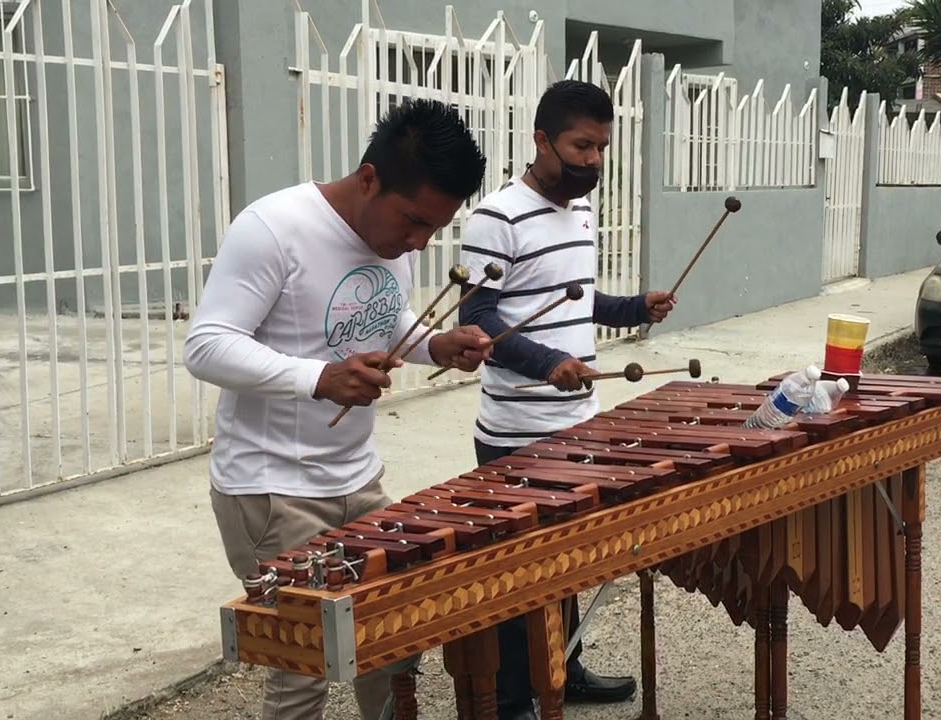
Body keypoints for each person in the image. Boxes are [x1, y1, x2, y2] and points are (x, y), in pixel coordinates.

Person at [184, 98, 494, 720]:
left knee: (385, 645)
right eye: (412, 222)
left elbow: (384, 314)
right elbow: (206, 345)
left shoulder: (396, 238)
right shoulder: (274, 228)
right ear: (369, 178)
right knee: (304, 671)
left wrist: (434, 344)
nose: (417, 242)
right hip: (273, 489)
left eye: (433, 229)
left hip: (357, 477)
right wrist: (318, 378)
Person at [458, 79, 677, 720]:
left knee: (567, 557)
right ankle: (510, 698)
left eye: (602, 148)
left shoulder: (579, 211)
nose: (593, 161)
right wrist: (546, 361)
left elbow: (577, 295)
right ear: (542, 140)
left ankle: (564, 666)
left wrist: (634, 306)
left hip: (577, 419)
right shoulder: (495, 217)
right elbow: (479, 319)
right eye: (582, 146)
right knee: (519, 567)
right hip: (516, 427)